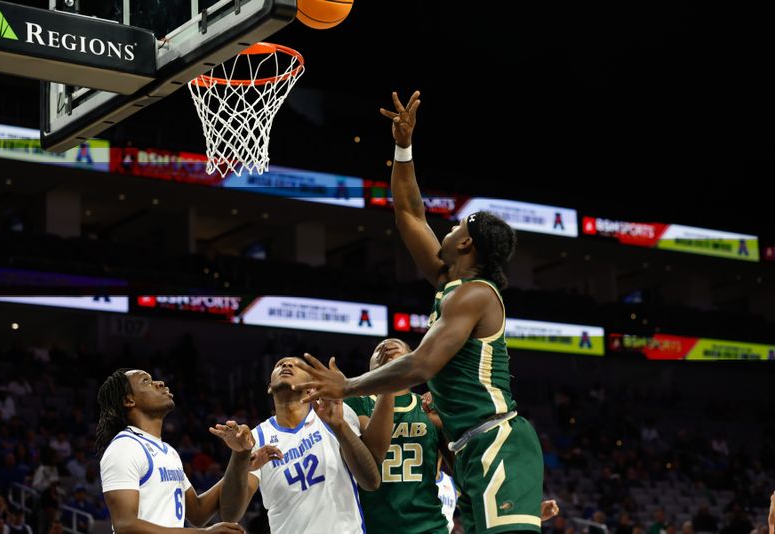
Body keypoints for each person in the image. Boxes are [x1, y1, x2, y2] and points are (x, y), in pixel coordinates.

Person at [293, 90, 554, 533]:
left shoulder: (474, 295)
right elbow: (410, 212)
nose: (446, 230)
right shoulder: (448, 282)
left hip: (498, 440)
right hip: (470, 449)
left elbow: (421, 363)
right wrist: (403, 146)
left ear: (467, 244)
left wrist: (348, 384)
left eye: (454, 227)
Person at [213, 356, 381, 534]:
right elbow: (230, 514)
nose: (286, 364)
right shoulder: (255, 438)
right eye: (279, 364)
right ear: (270, 387)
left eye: (297, 365)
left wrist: (339, 425)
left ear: (311, 388)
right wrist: (239, 456)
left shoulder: (335, 413)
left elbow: (371, 481)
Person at [95, 368, 246, 534]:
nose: (160, 383)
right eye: (146, 381)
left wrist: (240, 458)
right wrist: (204, 533)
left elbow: (198, 512)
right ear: (129, 400)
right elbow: (125, 525)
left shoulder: (169, 451)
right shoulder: (124, 448)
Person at [344, 338, 450, 534]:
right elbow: (373, 451)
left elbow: (458, 469)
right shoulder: (355, 404)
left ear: (412, 361)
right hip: (374, 526)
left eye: (397, 346)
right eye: (380, 350)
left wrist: (446, 424)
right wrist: (387, 381)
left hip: (429, 526)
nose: (388, 347)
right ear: (370, 369)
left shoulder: (428, 407)